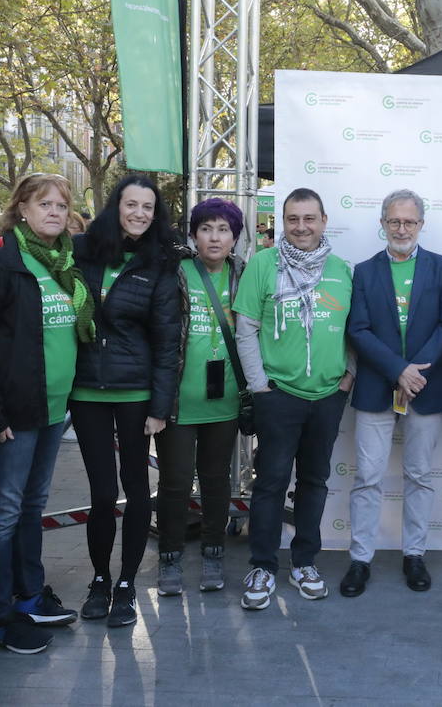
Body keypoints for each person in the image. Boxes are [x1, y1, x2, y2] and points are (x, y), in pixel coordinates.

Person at [0, 173, 90, 655]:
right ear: (22, 210)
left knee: (32, 507)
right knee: (3, 515)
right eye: (43, 203)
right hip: (12, 414)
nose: (54, 211)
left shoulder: (66, 265)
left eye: (61, 204)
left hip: (52, 411)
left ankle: (29, 595)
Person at [233, 187, 354, 609]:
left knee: (314, 482)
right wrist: (259, 385)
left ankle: (304, 562)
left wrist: (347, 377)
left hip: (327, 397)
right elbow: (245, 327)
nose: (301, 227)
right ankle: (263, 566)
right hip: (278, 395)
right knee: (269, 483)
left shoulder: (341, 270)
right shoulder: (263, 265)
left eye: (309, 219)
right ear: (283, 222)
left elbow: (354, 331)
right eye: (292, 219)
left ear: (323, 221)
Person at [69, 175, 181, 628]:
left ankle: (126, 584)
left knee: (137, 491)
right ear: (115, 206)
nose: (138, 213)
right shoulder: (81, 251)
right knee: (100, 493)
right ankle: (99, 578)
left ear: (156, 215)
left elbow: (167, 339)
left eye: (147, 207)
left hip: (136, 394)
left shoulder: (160, 264)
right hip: (86, 392)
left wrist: (159, 406)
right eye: (131, 204)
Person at [340, 189, 442, 597]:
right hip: (378, 385)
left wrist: (415, 374)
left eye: (410, 221)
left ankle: (414, 555)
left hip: (427, 385)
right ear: (383, 223)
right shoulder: (364, 270)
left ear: (421, 225)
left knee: (420, 475)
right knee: (368, 477)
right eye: (394, 221)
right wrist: (398, 371)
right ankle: (360, 559)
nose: (402, 228)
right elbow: (357, 329)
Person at [155, 198, 246, 597]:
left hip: (224, 400)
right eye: (206, 228)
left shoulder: (244, 275)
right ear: (193, 234)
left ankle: (213, 554)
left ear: (235, 238)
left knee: (215, 481)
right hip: (179, 400)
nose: (215, 236)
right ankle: (170, 558)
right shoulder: (174, 272)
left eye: (223, 229)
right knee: (174, 484)